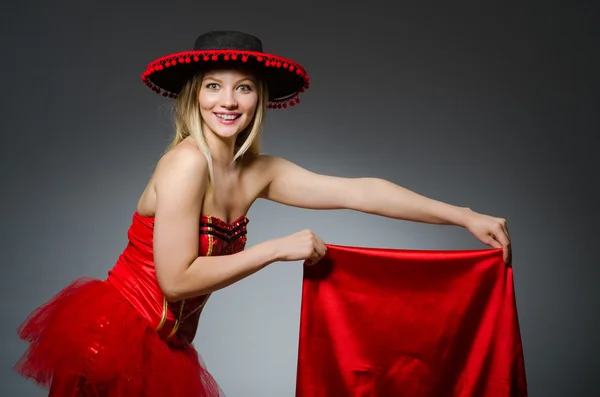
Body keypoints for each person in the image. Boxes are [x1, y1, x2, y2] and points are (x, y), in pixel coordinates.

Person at [14, 30, 512, 397]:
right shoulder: (186, 164)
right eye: (213, 86)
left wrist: (463, 215)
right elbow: (176, 280)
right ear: (194, 95)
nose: (228, 101)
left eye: (244, 88)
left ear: (260, 98)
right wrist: (276, 250)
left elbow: (360, 191)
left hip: (167, 350)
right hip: (113, 344)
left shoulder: (259, 172)